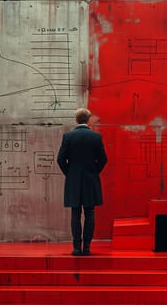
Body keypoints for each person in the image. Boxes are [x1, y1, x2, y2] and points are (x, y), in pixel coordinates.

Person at [57, 108, 108, 256]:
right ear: (88, 120)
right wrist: (94, 172)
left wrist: (70, 174)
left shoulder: (68, 136)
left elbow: (60, 159)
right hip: (90, 180)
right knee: (90, 213)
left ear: (76, 120)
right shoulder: (96, 137)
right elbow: (103, 160)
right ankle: (87, 247)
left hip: (74, 181)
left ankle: (76, 248)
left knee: (75, 213)